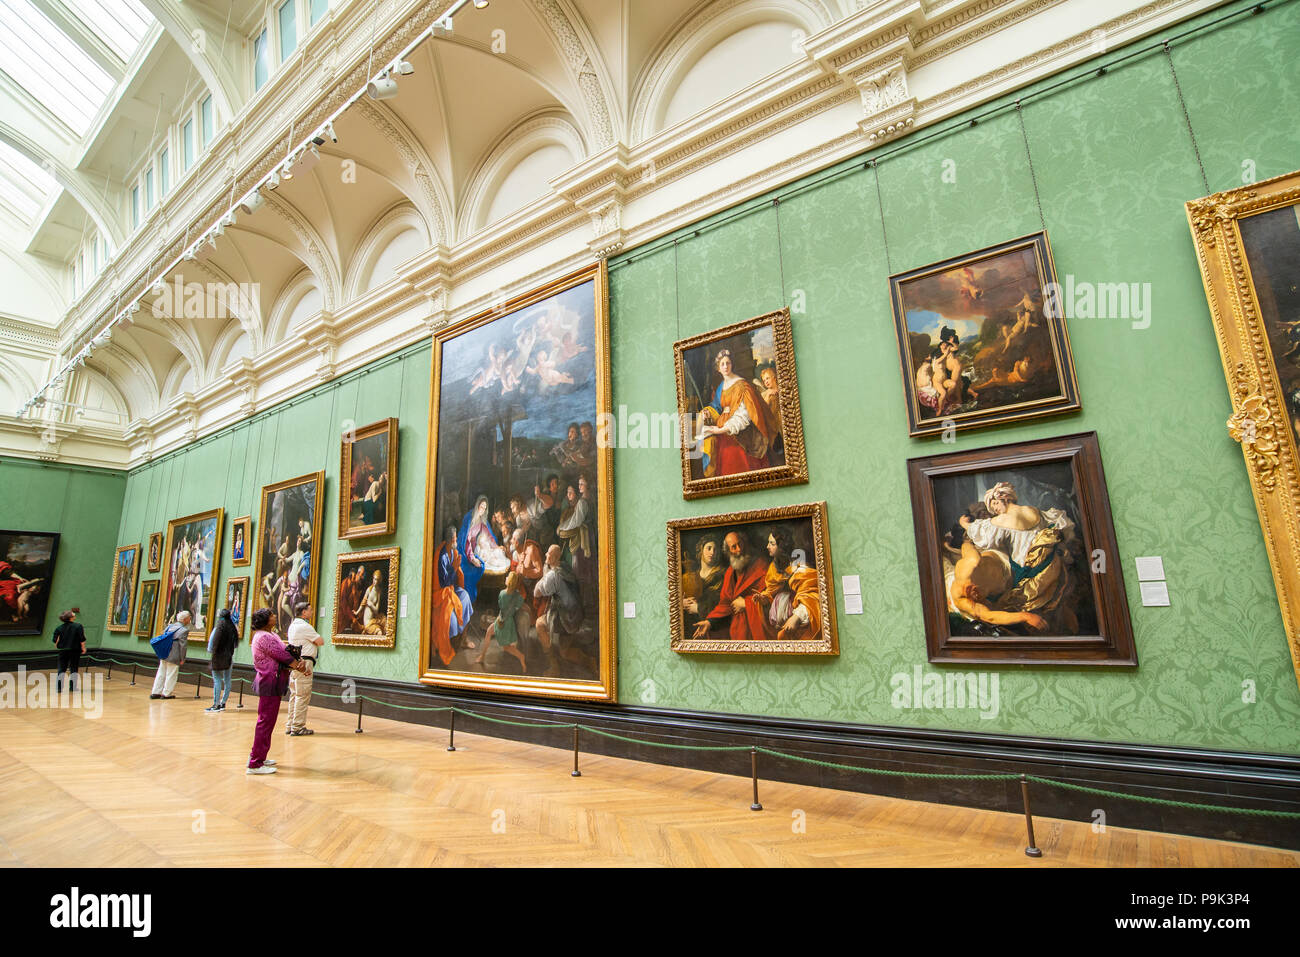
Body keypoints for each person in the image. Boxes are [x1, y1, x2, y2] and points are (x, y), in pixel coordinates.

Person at [696, 349, 781, 477]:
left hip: (741, 438)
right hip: (723, 436)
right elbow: (716, 407)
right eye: (722, 364)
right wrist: (708, 412)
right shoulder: (721, 386)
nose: (725, 366)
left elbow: (743, 417)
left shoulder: (742, 386)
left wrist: (718, 430)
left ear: (732, 364)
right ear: (718, 368)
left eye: (728, 363)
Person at [247, 607, 305, 774]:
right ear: (265, 620)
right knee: (265, 722)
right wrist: (300, 667)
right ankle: (255, 763)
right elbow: (282, 654)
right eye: (271, 615)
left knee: (267, 722)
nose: (274, 617)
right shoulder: (264, 636)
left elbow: (285, 652)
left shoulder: (270, 635)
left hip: (274, 679)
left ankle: (259, 756)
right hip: (269, 680)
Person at [692, 531, 770, 641]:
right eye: (734, 547)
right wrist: (709, 622)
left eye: (740, 544)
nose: (739, 549)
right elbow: (725, 604)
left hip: (758, 632)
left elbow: (772, 597)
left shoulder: (761, 565)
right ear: (728, 551)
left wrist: (747, 603)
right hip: (738, 631)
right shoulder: (730, 572)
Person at [757, 529, 821, 640]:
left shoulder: (799, 565)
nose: (767, 546)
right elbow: (771, 591)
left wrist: (797, 617)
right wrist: (764, 598)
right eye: (768, 543)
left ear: (782, 546)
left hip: (799, 624)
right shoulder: (773, 568)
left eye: (772, 543)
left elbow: (811, 595)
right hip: (782, 624)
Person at [431, 526, 472, 665]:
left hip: (451, 589)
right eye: (454, 538)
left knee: (465, 596)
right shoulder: (441, 556)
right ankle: (450, 645)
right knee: (451, 618)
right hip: (441, 594)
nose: (456, 540)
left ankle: (463, 639)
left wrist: (456, 568)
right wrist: (454, 567)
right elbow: (443, 583)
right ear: (450, 539)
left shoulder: (453, 552)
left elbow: (456, 576)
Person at [475, 571, 529, 672]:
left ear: (509, 582)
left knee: (506, 647)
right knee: (489, 633)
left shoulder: (502, 594)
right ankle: (482, 656)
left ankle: (521, 656)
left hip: (502, 621)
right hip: (508, 621)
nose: (506, 578)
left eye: (507, 577)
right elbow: (520, 605)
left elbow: (501, 606)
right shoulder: (517, 595)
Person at [285, 601, 323, 736]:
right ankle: (298, 726)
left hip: (295, 662)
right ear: (304, 612)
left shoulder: (292, 625)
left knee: (295, 694)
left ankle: (290, 724)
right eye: (310, 610)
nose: (312, 612)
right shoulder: (304, 627)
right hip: (305, 663)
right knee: (303, 695)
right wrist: (313, 641)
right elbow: (320, 641)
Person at [150, 610, 191, 699]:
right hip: (174, 655)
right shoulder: (183, 630)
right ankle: (166, 694)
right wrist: (183, 658)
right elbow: (183, 646)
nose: (190, 619)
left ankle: (155, 692)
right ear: (185, 619)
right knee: (171, 674)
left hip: (165, 653)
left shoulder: (170, 627)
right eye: (189, 618)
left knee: (161, 673)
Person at [206, 608, 239, 712]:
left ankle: (216, 704)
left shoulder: (220, 626)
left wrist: (211, 651)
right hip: (229, 656)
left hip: (219, 656)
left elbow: (212, 642)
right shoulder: (232, 627)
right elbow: (235, 645)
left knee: (217, 680)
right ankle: (223, 702)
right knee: (227, 680)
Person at [52, 609, 86, 693]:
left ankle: (59, 688)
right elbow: (82, 639)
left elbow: (54, 640)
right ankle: (72, 687)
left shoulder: (59, 628)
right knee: (73, 668)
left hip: (63, 651)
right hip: (75, 650)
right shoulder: (78, 626)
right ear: (71, 617)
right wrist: (83, 648)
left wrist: (59, 645)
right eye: (72, 613)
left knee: (61, 669)